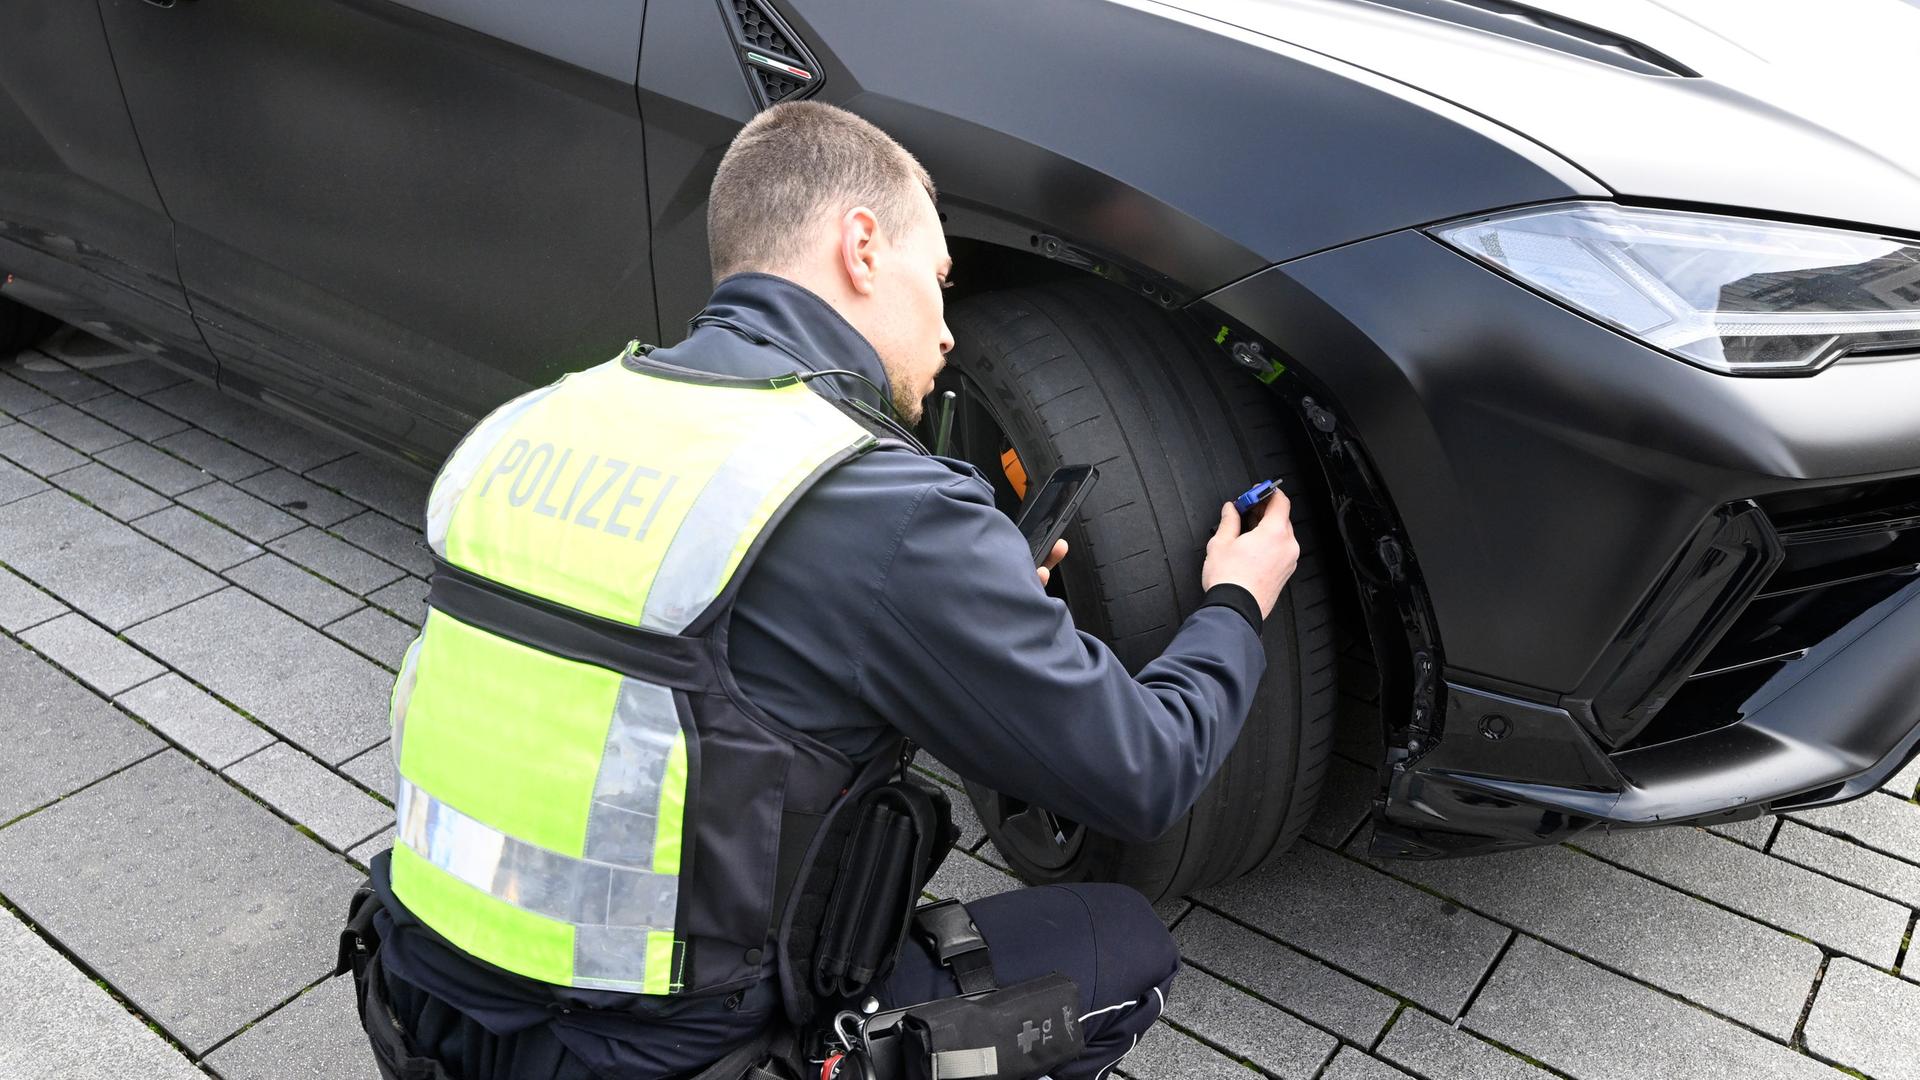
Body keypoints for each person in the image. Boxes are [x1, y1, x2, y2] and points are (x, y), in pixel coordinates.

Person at [347, 100, 1299, 1080]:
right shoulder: (880, 503)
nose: (946, 332)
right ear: (860, 246)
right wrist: (1237, 601)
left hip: (417, 1007)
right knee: (1121, 949)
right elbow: (1145, 770)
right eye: (936, 282)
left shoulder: (535, 422)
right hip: (671, 1059)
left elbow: (681, 658)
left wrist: (953, 606)